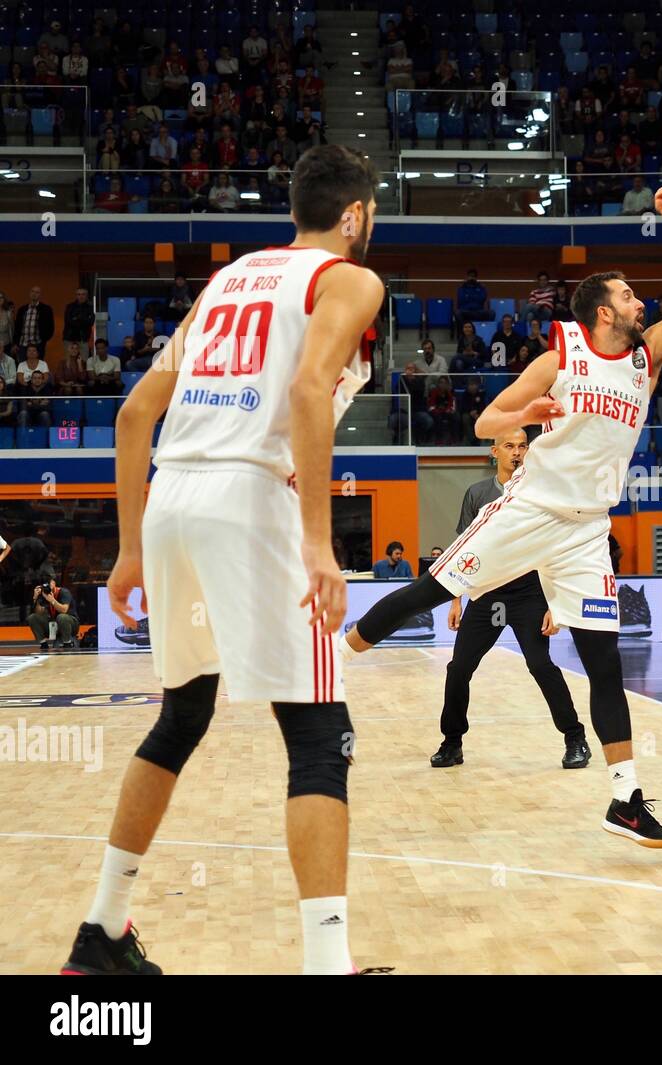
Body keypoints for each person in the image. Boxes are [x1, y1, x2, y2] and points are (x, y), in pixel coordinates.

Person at [61, 145, 385, 977]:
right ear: (354, 216)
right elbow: (312, 391)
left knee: (182, 713)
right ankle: (326, 964)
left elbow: (136, 414)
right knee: (320, 732)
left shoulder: (231, 278)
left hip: (172, 497)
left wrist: (130, 548)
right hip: (249, 500)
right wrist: (318, 542)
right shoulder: (348, 280)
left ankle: (101, 932)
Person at [338, 181, 662, 849]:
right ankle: (332, 661)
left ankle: (625, 798)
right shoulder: (560, 357)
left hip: (586, 528)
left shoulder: (646, 357)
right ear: (603, 311)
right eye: (629, 296)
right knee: (433, 590)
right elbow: (487, 420)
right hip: (530, 508)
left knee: (603, 659)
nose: (641, 303)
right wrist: (527, 413)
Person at [429, 430, 592, 770]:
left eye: (522, 446)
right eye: (509, 446)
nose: (517, 453)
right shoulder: (477, 494)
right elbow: (463, 549)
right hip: (487, 593)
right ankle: (452, 742)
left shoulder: (542, 495)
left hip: (529, 594)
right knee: (458, 668)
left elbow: (555, 550)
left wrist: (554, 603)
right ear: (495, 452)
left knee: (540, 665)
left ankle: (575, 738)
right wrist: (456, 599)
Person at [28, 575, 78, 649]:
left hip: (70, 624)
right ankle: (43, 644)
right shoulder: (44, 594)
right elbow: (39, 612)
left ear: (54, 583)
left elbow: (64, 610)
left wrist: (52, 600)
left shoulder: (64, 592)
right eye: (44, 585)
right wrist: (36, 598)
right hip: (54, 624)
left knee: (61, 617)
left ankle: (67, 643)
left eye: (49, 583)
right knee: (32, 617)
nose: (47, 586)